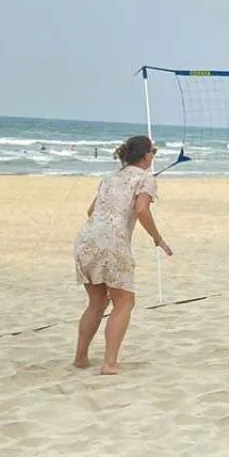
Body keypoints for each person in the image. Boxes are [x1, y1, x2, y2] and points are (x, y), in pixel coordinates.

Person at [72, 135, 172, 375]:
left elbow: (91, 211)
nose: (154, 156)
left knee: (96, 303)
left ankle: (81, 358)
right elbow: (141, 210)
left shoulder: (109, 178)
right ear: (146, 155)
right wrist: (157, 239)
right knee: (124, 302)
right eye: (153, 152)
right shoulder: (145, 179)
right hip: (113, 243)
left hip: (85, 240)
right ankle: (109, 364)